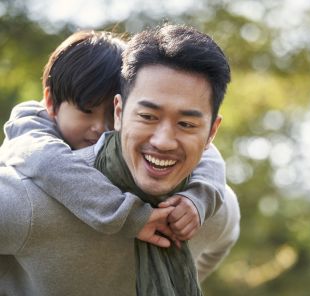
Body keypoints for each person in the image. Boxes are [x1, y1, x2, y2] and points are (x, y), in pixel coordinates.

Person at [0, 24, 240, 295]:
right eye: (148, 116)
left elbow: (213, 169)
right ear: (121, 111)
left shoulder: (212, 208)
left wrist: (200, 199)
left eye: (186, 123)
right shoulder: (28, 197)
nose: (98, 129)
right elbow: (41, 156)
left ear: (211, 132)